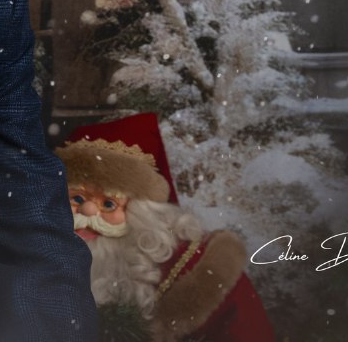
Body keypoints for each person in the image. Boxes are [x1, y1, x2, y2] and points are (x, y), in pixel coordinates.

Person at [56, 113, 275, 342]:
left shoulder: (198, 267)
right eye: (77, 199)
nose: (88, 211)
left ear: (143, 212)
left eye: (109, 204)